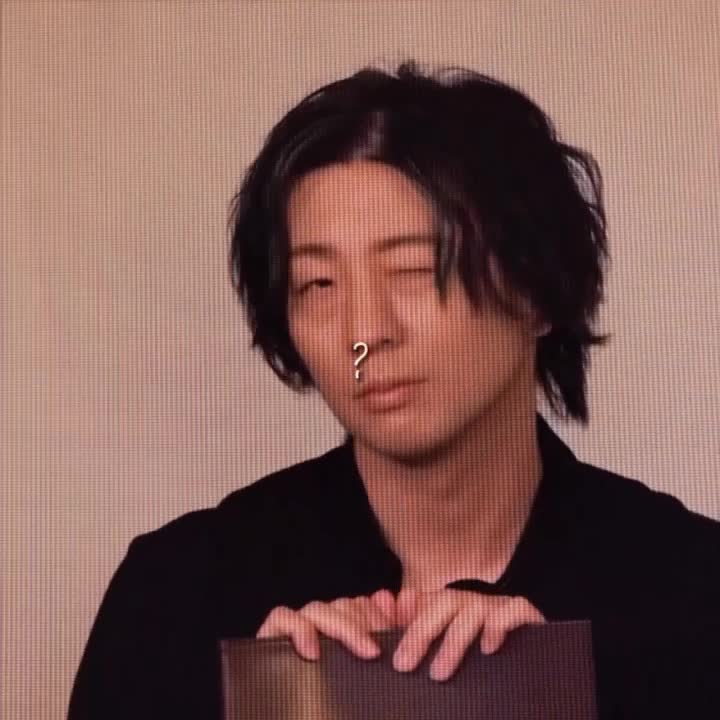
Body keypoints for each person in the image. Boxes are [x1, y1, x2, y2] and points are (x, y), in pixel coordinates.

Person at [67, 61, 720, 720]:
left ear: (537, 291)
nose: (365, 333)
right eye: (319, 284)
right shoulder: (177, 595)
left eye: (414, 269)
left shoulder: (693, 592)